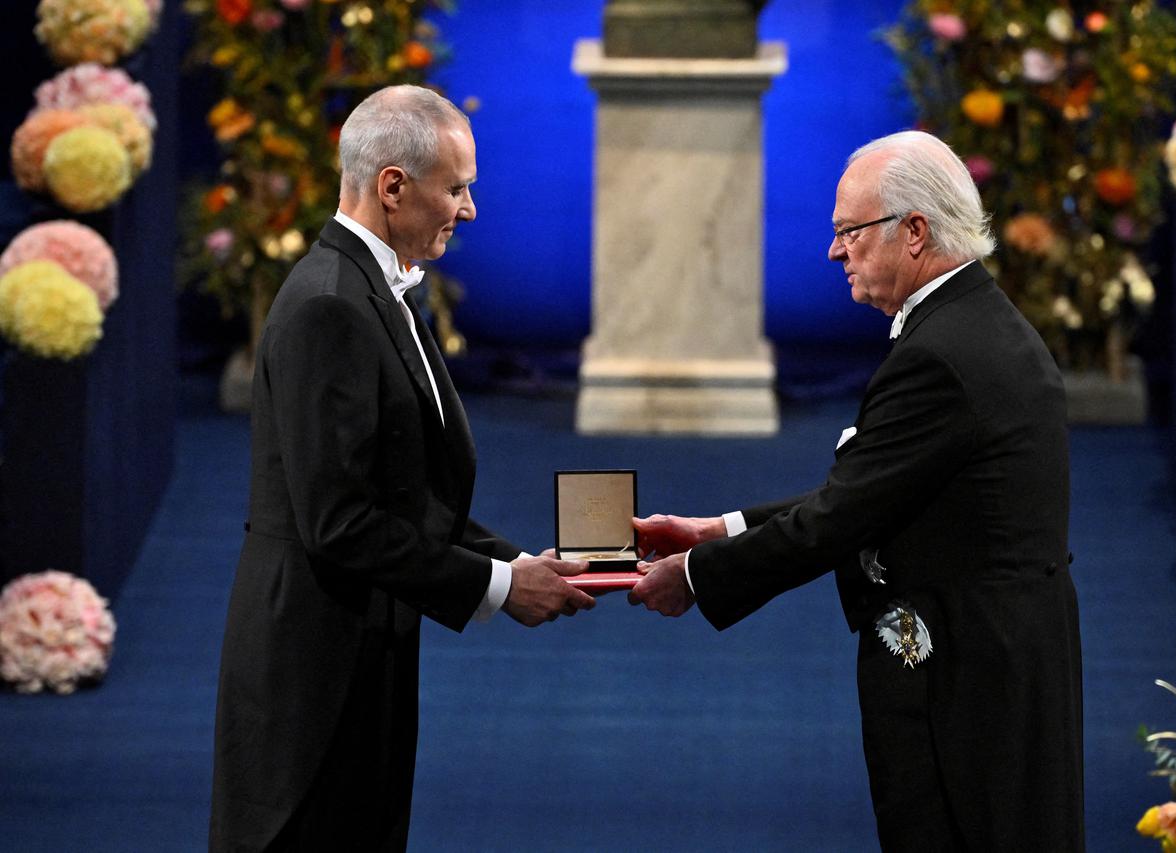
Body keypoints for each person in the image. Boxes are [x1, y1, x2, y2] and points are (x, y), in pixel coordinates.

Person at [629, 130, 1083, 851]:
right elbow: (879, 487)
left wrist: (693, 575)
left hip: (966, 685)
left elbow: (842, 516)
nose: (834, 252)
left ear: (913, 232)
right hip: (1001, 665)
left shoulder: (940, 353)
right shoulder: (971, 324)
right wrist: (721, 530)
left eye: (848, 232)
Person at [209, 86, 596, 852]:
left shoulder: (370, 289)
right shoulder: (331, 305)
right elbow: (340, 522)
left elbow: (399, 490)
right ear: (394, 186)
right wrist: (500, 587)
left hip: (362, 644)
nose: (470, 209)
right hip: (312, 676)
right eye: (457, 188)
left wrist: (513, 561)